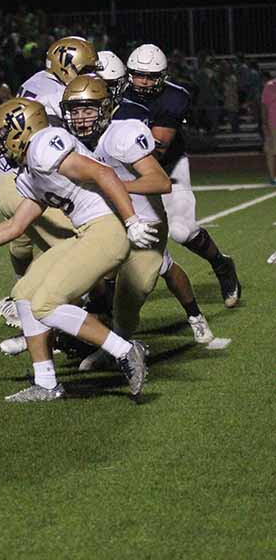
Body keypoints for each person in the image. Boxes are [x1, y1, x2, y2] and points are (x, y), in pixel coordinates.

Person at [0, 97, 157, 401]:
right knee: (25, 294)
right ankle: (47, 383)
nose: (0, 145)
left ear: (20, 129)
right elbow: (15, 227)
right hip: (86, 232)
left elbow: (104, 174)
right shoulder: (29, 172)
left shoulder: (43, 146)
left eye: (2, 136)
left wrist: (131, 221)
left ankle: (124, 350)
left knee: (46, 305)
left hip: (106, 229)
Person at [57, 77, 213, 371]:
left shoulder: (123, 134)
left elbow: (160, 181)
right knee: (76, 280)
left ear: (105, 108)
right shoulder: (70, 142)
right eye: (74, 111)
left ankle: (124, 341)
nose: (80, 118)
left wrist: (112, 185)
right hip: (104, 224)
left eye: (88, 110)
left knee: (133, 292)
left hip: (145, 224)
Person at [116, 44, 241, 308]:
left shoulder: (174, 98)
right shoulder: (115, 92)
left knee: (183, 232)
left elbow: (158, 149)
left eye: (150, 76)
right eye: (138, 74)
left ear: (162, 76)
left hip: (168, 167)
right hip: (124, 169)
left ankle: (222, 265)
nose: (144, 81)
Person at [0, 36, 99, 327]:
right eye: (87, 68)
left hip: (9, 178)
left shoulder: (37, 80)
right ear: (68, 67)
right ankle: (30, 308)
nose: (92, 74)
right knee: (84, 245)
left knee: (22, 241)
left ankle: (25, 294)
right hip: (32, 180)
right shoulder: (56, 96)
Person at [261, 71, 276, 185]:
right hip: (273, 125)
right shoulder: (269, 86)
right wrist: (265, 125)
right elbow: (264, 107)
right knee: (271, 152)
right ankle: (272, 178)